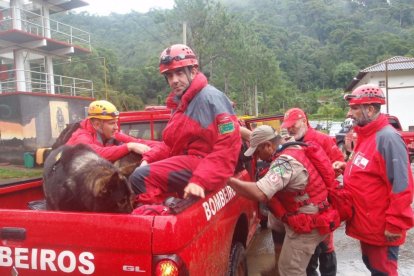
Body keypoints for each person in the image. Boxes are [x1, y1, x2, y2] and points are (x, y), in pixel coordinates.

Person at [129, 44, 241, 203]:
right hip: (192, 162)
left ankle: (159, 216)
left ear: (193, 71)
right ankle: (165, 207)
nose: (174, 80)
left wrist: (200, 179)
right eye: (169, 76)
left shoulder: (210, 98)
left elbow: (228, 146)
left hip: (205, 163)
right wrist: (148, 159)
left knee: (140, 177)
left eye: (179, 73)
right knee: (140, 172)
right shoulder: (182, 103)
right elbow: (171, 144)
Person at [228, 125, 339, 276]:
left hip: (309, 222)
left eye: (258, 151)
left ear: (268, 145)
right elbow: (255, 135)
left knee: (289, 269)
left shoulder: (284, 164)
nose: (258, 157)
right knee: (304, 266)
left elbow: (260, 193)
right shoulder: (292, 146)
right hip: (320, 212)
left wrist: (227, 180)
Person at [333, 84, 414, 276]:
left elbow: (401, 186)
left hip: (381, 227)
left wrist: (395, 224)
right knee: (372, 266)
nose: (349, 113)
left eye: (354, 108)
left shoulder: (388, 138)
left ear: (370, 109)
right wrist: (347, 168)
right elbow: (370, 166)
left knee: (383, 271)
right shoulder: (366, 135)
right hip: (368, 224)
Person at [282, 107, 343, 276]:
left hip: (323, 202)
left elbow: (338, 161)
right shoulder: (289, 143)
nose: (289, 129)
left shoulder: (321, 139)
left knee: (326, 244)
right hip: (303, 205)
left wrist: (326, 175)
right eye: (287, 126)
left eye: (292, 125)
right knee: (308, 249)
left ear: (303, 121)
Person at [66, 100, 156, 162]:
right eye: (112, 123)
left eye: (116, 123)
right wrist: (129, 146)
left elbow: (137, 141)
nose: (116, 127)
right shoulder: (81, 137)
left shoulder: (109, 134)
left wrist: (165, 146)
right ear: (97, 124)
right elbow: (96, 153)